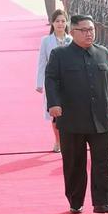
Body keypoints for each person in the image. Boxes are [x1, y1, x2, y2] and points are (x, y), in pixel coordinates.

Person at [45, 14, 108, 214]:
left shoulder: (102, 52)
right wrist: (54, 104)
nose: (89, 34)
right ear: (73, 32)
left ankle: (102, 202)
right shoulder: (60, 55)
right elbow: (51, 80)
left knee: (103, 161)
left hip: (100, 118)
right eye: (84, 30)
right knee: (74, 163)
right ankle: (75, 200)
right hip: (72, 118)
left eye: (91, 30)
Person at [36, 9, 72, 152]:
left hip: (70, 82)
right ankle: (58, 141)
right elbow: (42, 62)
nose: (60, 24)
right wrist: (39, 83)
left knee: (69, 113)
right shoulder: (46, 41)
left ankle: (67, 140)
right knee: (55, 114)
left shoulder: (71, 40)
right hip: (53, 82)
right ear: (53, 23)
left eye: (63, 21)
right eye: (57, 21)